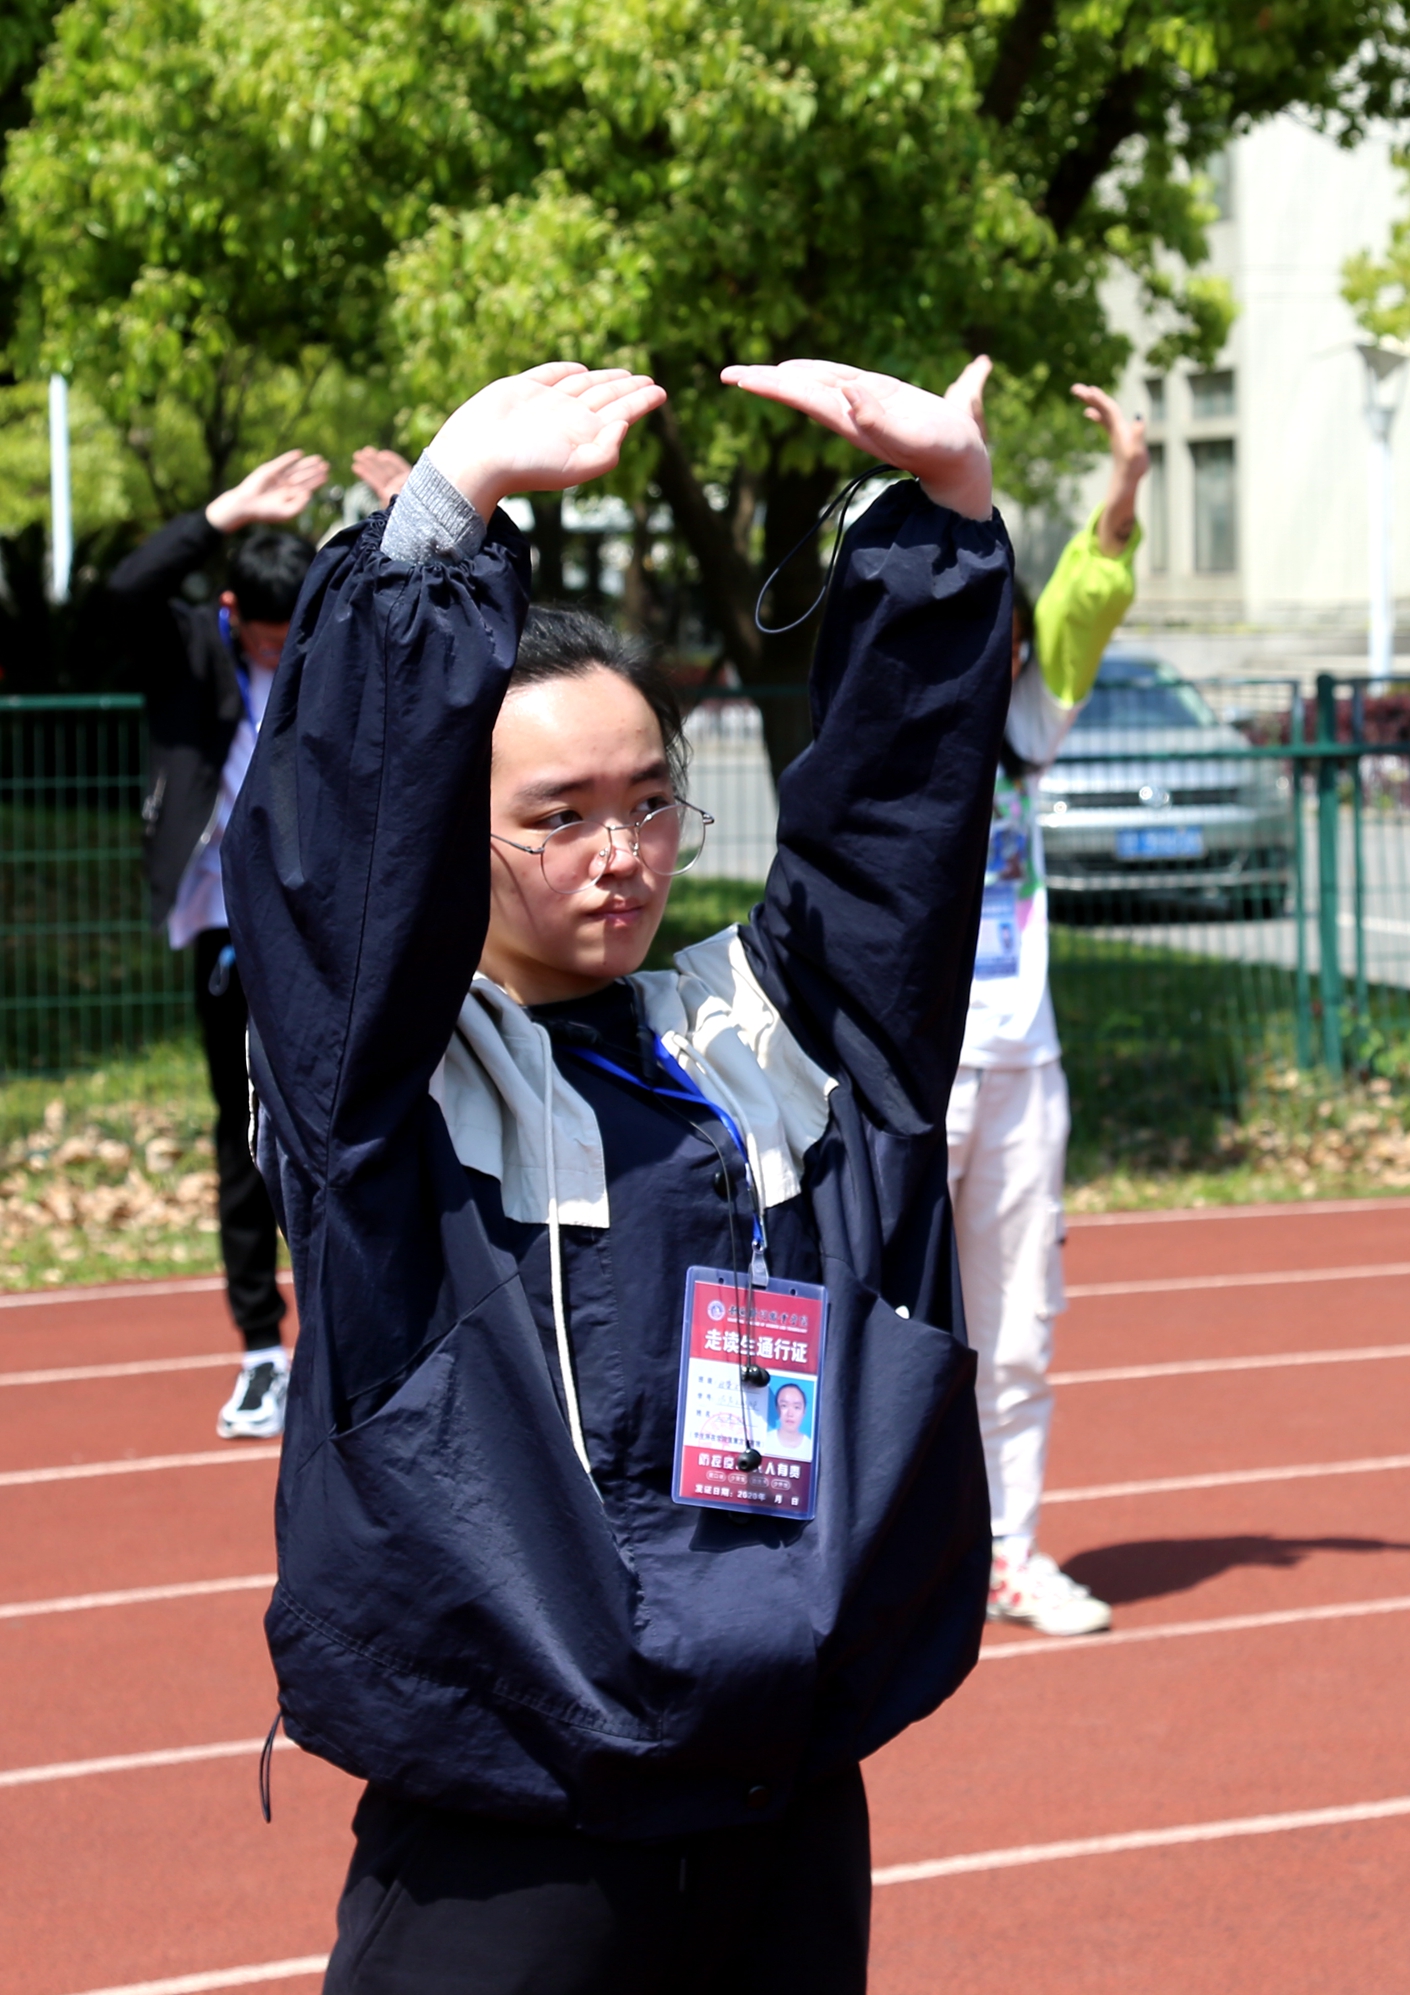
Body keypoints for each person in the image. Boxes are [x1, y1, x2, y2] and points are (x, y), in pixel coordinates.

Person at [228, 354, 1015, 1989]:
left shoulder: (765, 1036)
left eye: (653, 802)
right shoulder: (389, 1086)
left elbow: (889, 843)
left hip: (780, 1807)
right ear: (459, 832)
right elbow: (333, 872)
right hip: (516, 1841)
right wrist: (442, 516)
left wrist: (945, 522)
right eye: (561, 815)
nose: (623, 854)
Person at [102, 447, 357, 1437]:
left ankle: (354, 1335)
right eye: (263, 634)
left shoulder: (325, 651)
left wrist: (395, 513)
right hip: (223, 923)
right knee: (243, 1135)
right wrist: (223, 513)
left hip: (322, 919)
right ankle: (261, 1350)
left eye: (290, 634)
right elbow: (125, 588)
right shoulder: (189, 650)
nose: (276, 652)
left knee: (343, 1126)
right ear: (228, 614)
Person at [949, 383, 1147, 1640]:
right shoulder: (893, 740)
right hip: (916, 1078)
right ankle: (877, 1564)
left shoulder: (1027, 729)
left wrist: (1124, 479)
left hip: (1025, 1065)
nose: (1006, 650)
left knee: (1018, 1333)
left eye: (1009, 632)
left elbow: (1085, 597)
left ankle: (1007, 1553)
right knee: (893, 1330)